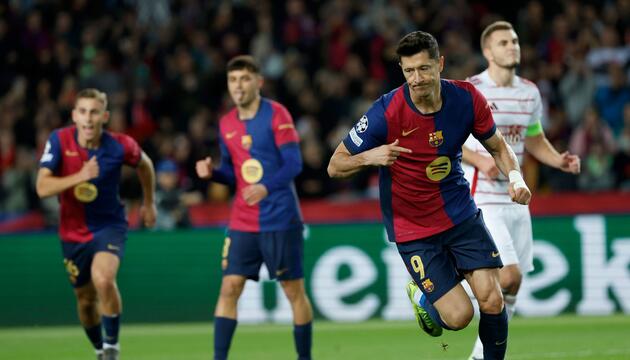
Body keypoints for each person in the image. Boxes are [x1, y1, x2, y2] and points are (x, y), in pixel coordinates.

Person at [328, 31, 530, 360]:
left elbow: (498, 146)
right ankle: (424, 298)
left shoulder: (466, 99)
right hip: (414, 229)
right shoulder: (386, 111)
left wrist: (516, 178)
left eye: (424, 69)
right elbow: (335, 165)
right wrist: (371, 156)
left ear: (440, 64)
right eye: (409, 71)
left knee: (493, 299)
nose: (417, 79)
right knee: (459, 317)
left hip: (460, 215)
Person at [462, 21, 581, 359]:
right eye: (503, 42)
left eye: (514, 40)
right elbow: (446, 141)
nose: (512, 46)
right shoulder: (471, 90)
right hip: (481, 196)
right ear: (488, 52)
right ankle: (439, 291)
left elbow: (533, 139)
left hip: (517, 196)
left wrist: (559, 161)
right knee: (507, 273)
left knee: (513, 284)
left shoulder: (529, 92)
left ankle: (480, 354)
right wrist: (479, 160)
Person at [196, 55, 313, 360]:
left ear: (259, 82)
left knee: (292, 290)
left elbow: (294, 163)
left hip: (280, 218)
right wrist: (213, 173)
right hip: (242, 221)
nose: (238, 86)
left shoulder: (277, 114)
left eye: (245, 79)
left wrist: (265, 187)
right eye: (233, 80)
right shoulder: (225, 123)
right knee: (229, 287)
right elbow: (234, 175)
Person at [36, 88, 157, 360]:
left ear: (105, 117)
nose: (88, 119)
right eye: (83, 112)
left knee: (103, 279)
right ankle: (99, 350)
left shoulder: (120, 145)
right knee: (86, 301)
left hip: (109, 226)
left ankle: (112, 348)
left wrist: (149, 202)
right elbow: (42, 187)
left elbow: (145, 165)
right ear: (74, 116)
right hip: (72, 233)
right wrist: (79, 176)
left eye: (94, 112)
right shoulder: (58, 140)